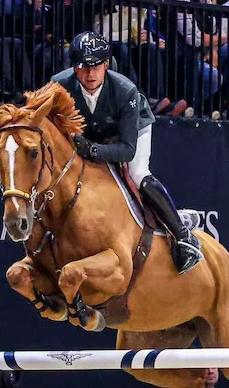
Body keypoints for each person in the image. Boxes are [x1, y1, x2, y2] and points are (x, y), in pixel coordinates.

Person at [51, 31, 204, 274]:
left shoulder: (125, 90)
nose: (90, 74)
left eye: (97, 66)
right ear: (74, 68)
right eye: (83, 67)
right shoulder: (58, 86)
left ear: (106, 65)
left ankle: (183, 236)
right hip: (93, 132)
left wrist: (92, 149)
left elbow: (127, 150)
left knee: (137, 173)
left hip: (130, 131)